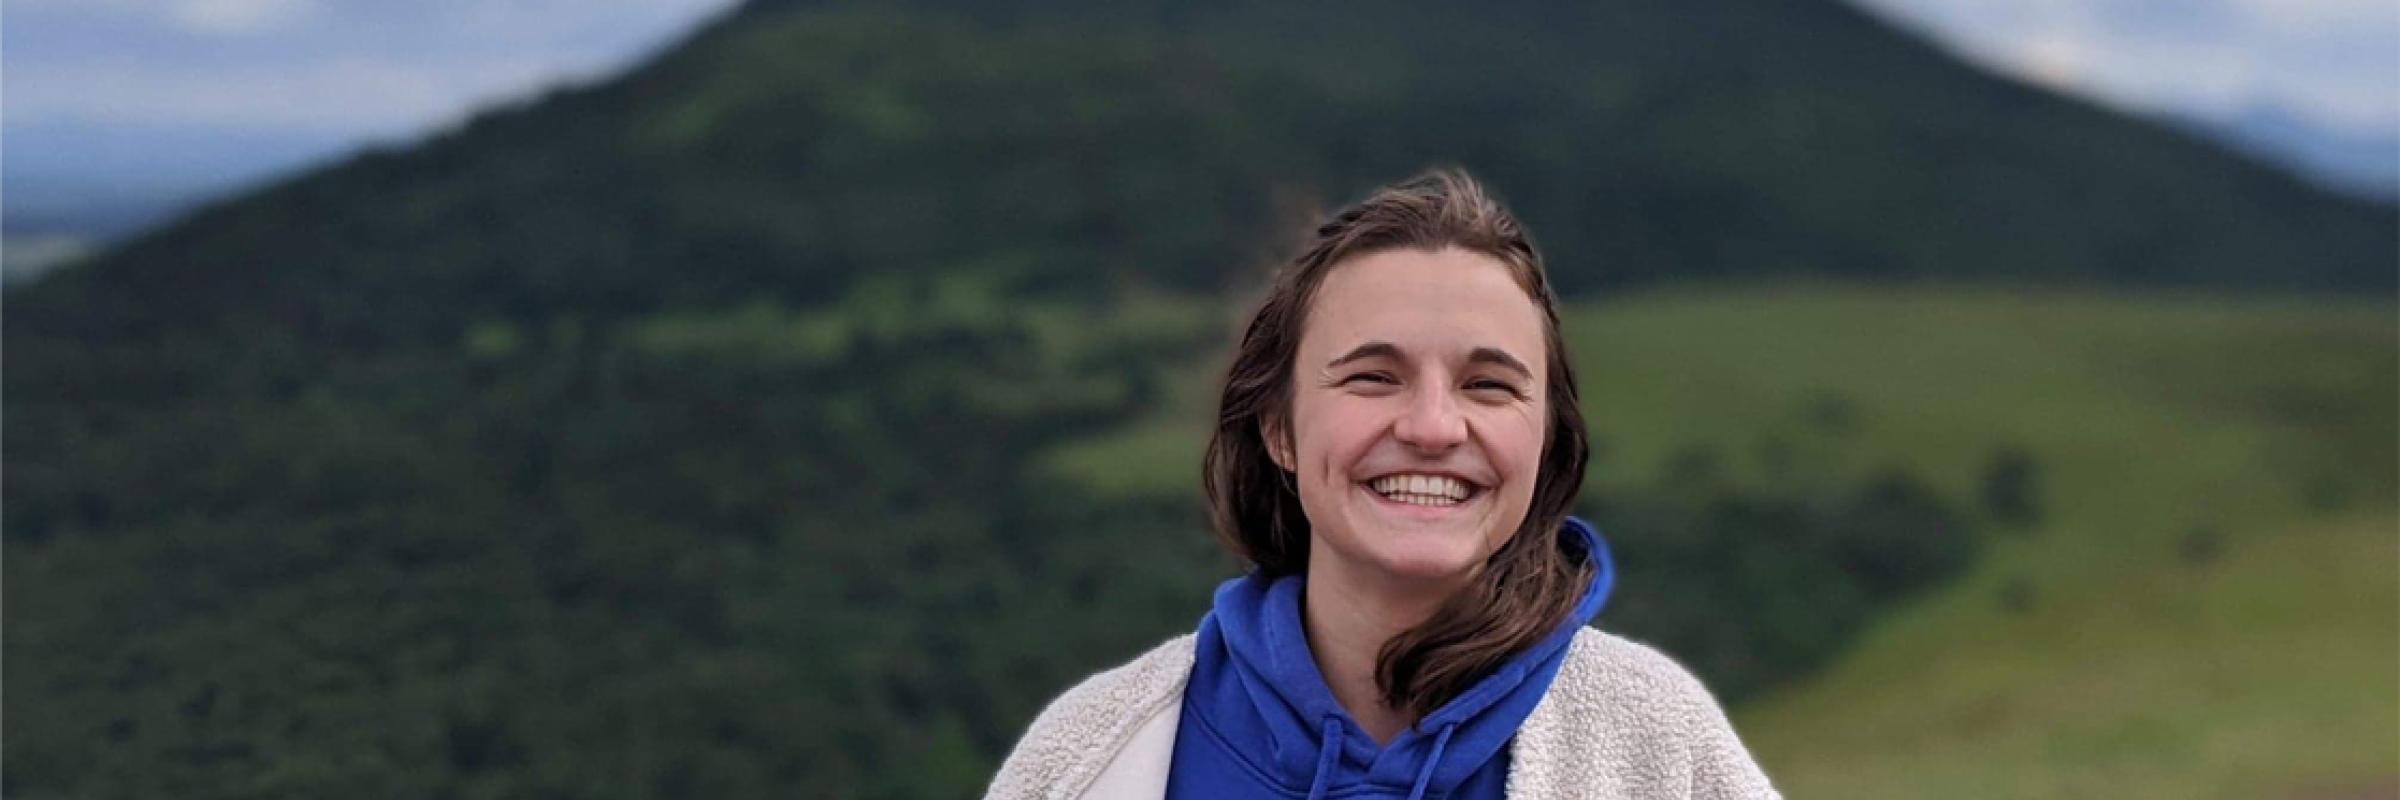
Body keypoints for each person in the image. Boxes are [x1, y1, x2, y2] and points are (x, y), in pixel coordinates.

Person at [986, 169, 1780, 799]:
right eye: (1372, 376)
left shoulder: (1654, 746)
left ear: (1544, 438)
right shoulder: (1093, 751)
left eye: (1489, 386)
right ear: (1279, 429)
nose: (1434, 428)